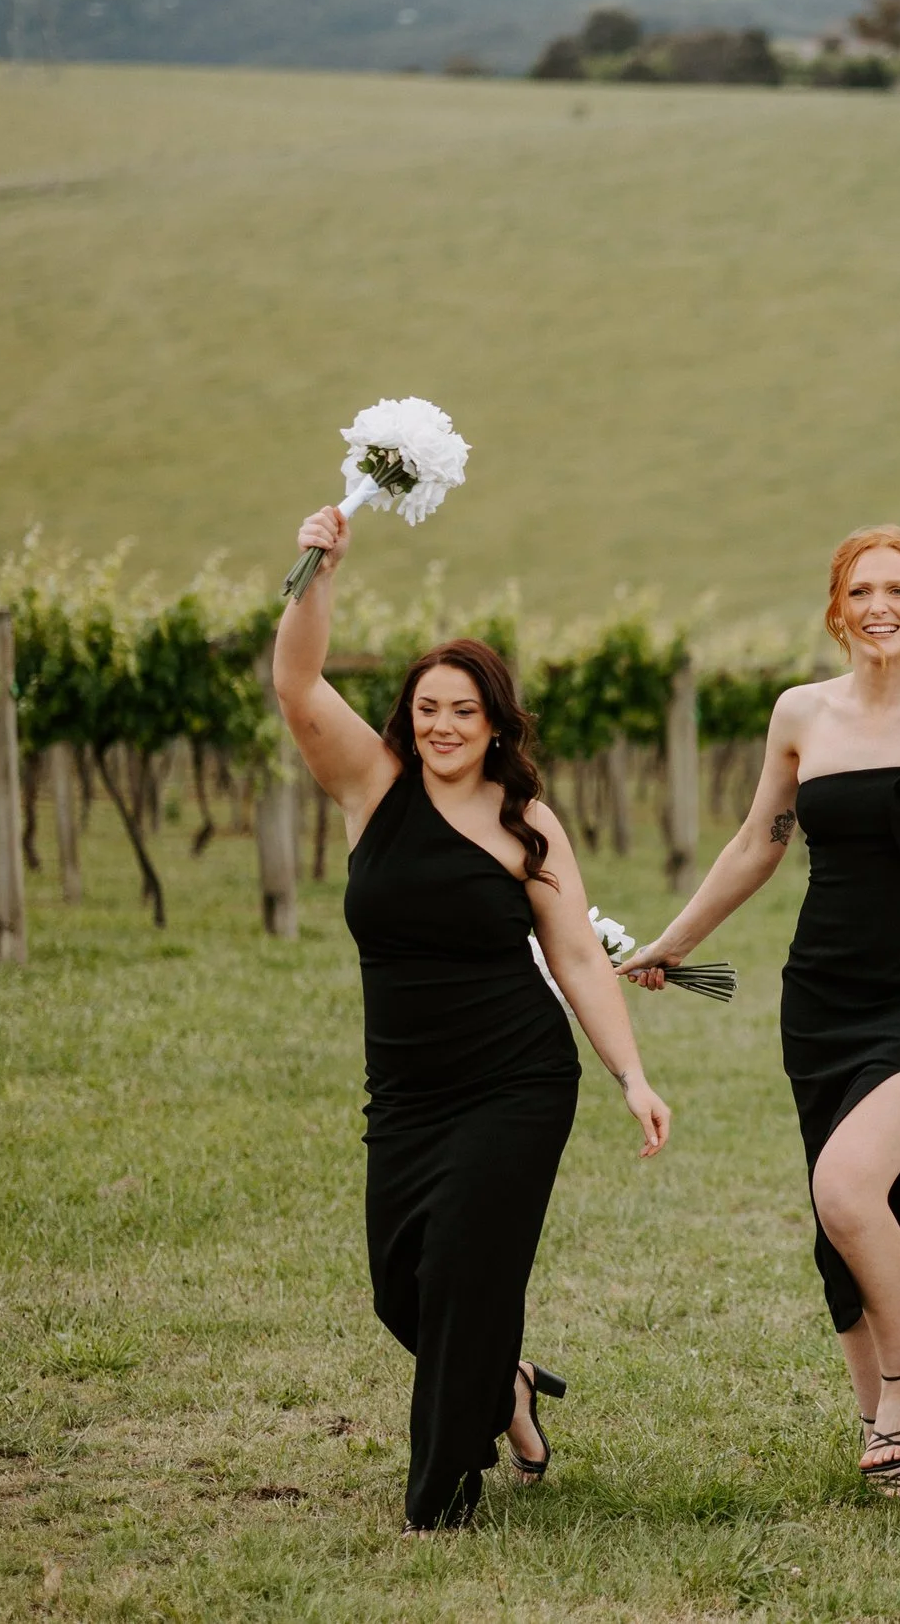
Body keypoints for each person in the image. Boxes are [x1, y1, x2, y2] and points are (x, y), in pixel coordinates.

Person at [620, 526, 900, 1494]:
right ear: (836, 607)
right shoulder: (801, 714)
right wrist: (674, 941)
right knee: (858, 1211)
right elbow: (757, 841)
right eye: (862, 589)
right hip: (820, 992)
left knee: (846, 1185)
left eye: (898, 591)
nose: (880, 606)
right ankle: (877, 1422)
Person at [273, 504, 672, 1533]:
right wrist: (318, 568)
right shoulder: (372, 784)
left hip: (516, 1079)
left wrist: (631, 1075)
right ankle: (510, 1385)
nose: (443, 724)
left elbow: (578, 953)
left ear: (495, 721)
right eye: (427, 707)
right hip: (405, 1088)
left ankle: (445, 1485)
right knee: (399, 1286)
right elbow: (297, 680)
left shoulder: (522, 819)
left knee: (460, 1267)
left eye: (463, 709)